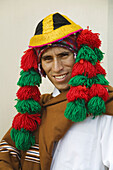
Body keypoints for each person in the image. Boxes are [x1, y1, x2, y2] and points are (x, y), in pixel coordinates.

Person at [0, 12, 113, 170]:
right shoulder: (36, 113)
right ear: (39, 66)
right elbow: (7, 153)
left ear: (79, 56)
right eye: (47, 59)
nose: (57, 68)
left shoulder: (103, 107)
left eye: (64, 55)